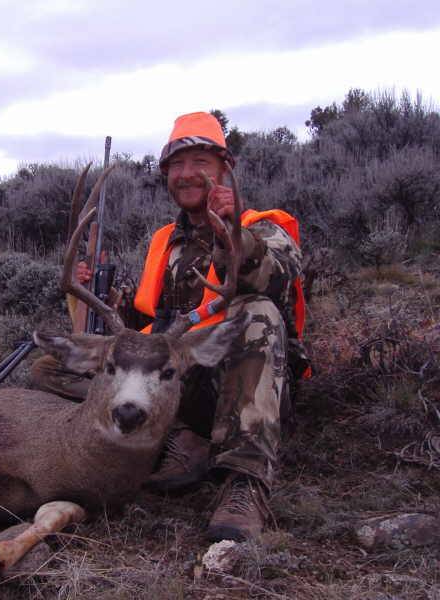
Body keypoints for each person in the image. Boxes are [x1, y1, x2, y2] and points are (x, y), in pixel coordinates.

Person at [30, 111, 309, 542]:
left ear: (224, 169)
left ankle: (243, 482)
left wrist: (234, 237)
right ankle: (180, 439)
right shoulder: (166, 241)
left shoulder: (264, 228)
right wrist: (97, 298)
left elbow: (272, 278)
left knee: (257, 314)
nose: (187, 174)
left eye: (200, 162)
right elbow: (148, 322)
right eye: (176, 166)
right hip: (172, 382)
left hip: (234, 382)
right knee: (50, 367)